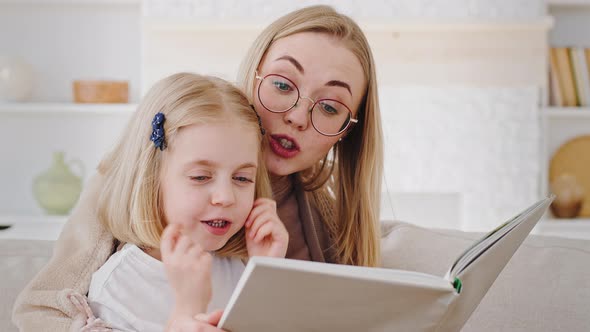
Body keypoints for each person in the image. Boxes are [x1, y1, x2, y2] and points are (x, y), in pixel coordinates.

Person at [13, 4, 383, 330]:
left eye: (331, 107)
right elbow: (40, 310)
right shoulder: (125, 189)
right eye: (283, 85)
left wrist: (267, 276)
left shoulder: (324, 223)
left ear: (347, 133)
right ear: (253, 75)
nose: (299, 116)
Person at [72, 72, 289, 331]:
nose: (226, 197)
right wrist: (187, 311)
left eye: (242, 178)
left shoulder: (237, 268)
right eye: (200, 177)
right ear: (151, 179)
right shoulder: (119, 285)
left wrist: (265, 272)